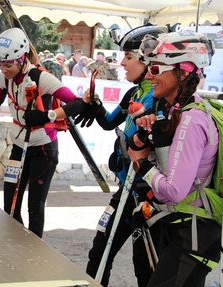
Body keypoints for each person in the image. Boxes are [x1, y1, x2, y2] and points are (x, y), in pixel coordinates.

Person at [76, 25, 168, 287]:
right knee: (99, 251)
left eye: (128, 57)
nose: (122, 63)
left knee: (146, 265)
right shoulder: (133, 92)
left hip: (148, 193)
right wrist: (94, 104)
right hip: (126, 188)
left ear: (147, 58)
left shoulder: (159, 96)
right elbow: (108, 122)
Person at [128, 31, 219, 287]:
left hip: (192, 236)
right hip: (182, 230)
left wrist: (141, 163)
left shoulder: (191, 120)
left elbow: (175, 190)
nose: (148, 76)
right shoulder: (176, 112)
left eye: (156, 69)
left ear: (182, 71)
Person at [0, 28, 82, 238]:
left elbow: (77, 104)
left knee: (35, 209)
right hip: (19, 146)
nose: (3, 69)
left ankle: (33, 256)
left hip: (43, 148)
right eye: (0, 65)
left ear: (21, 59)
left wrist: (46, 116)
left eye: (8, 64)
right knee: (10, 207)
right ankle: (17, 247)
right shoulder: (5, 78)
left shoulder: (40, 78)